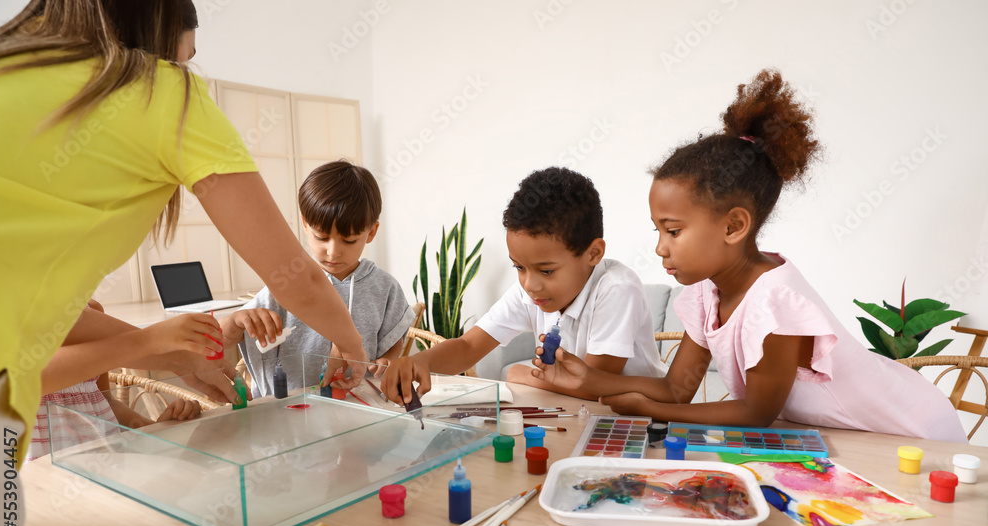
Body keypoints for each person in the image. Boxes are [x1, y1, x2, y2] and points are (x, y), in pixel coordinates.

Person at [0, 0, 365, 526]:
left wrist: (158, 354)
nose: (185, 72)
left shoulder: (5, 71)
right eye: (183, 56)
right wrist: (353, 346)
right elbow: (294, 275)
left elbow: (30, 309)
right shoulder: (160, 91)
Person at [529, 69, 966, 443]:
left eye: (674, 231)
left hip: (911, 434)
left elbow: (755, 413)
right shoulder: (708, 293)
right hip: (858, 436)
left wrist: (651, 411)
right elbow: (678, 387)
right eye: (658, 230)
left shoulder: (772, 302)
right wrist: (590, 379)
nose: (661, 247)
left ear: (734, 226)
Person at [381, 166, 668, 404]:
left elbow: (593, 386)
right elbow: (469, 345)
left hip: (643, 421)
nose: (530, 285)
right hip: (582, 413)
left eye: (546, 270)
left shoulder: (617, 288)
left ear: (593, 253)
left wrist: (522, 373)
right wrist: (423, 362)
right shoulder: (531, 292)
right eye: (519, 267)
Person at [21, 301, 203, 526]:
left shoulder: (93, 314)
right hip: (49, 510)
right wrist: (153, 342)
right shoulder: (12, 319)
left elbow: (102, 403)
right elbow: (30, 378)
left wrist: (148, 426)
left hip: (109, 481)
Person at [221, 161, 413, 398]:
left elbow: (395, 335)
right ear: (305, 224)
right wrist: (237, 319)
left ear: (371, 232)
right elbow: (226, 335)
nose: (333, 252)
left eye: (349, 241)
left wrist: (388, 360)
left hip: (357, 407)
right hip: (290, 413)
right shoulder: (288, 282)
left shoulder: (385, 288)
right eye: (321, 237)